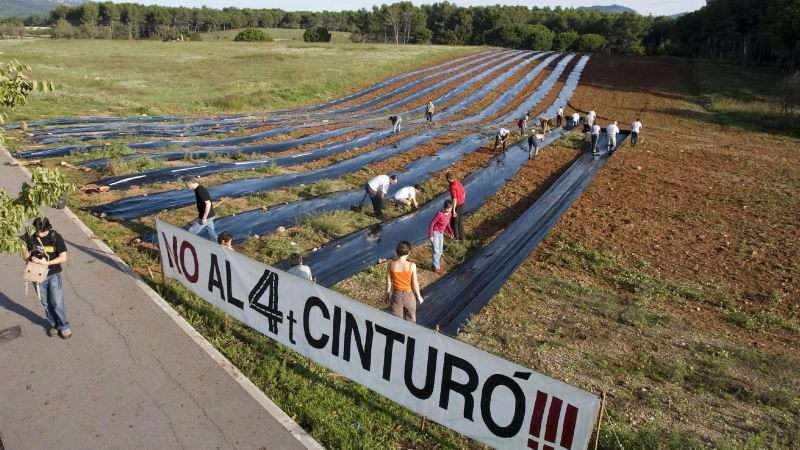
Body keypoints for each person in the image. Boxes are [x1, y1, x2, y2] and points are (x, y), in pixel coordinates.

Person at [24, 217, 71, 339]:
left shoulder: (55, 237)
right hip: (37, 276)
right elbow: (24, 255)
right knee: (45, 303)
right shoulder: (30, 237)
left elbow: (63, 257)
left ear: (47, 229)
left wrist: (46, 263)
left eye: (42, 232)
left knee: (58, 302)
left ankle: (64, 326)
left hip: (53, 274)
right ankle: (54, 324)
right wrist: (29, 256)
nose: (39, 234)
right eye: (37, 231)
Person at [385, 241, 423, 322]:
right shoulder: (412, 265)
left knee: (396, 322)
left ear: (397, 251)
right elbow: (415, 284)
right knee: (411, 320)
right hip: (409, 296)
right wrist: (418, 296)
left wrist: (387, 295)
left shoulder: (391, 265)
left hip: (396, 296)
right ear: (408, 252)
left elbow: (388, 283)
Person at [428, 200, 454, 274]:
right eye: (448, 209)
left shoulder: (449, 214)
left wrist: (451, 232)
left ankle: (435, 264)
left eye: (450, 209)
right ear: (444, 207)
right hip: (435, 233)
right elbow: (432, 224)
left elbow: (447, 224)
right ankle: (436, 267)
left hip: (441, 233)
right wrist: (431, 235)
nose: (449, 210)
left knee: (440, 251)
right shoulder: (439, 214)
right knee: (436, 251)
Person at [447, 172, 466, 240]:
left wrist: (454, 210)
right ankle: (462, 235)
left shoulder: (452, 187)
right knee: (460, 220)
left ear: (449, 179)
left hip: (457, 205)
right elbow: (464, 193)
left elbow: (454, 199)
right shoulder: (458, 183)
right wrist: (461, 200)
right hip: (463, 204)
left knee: (454, 221)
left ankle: (456, 237)